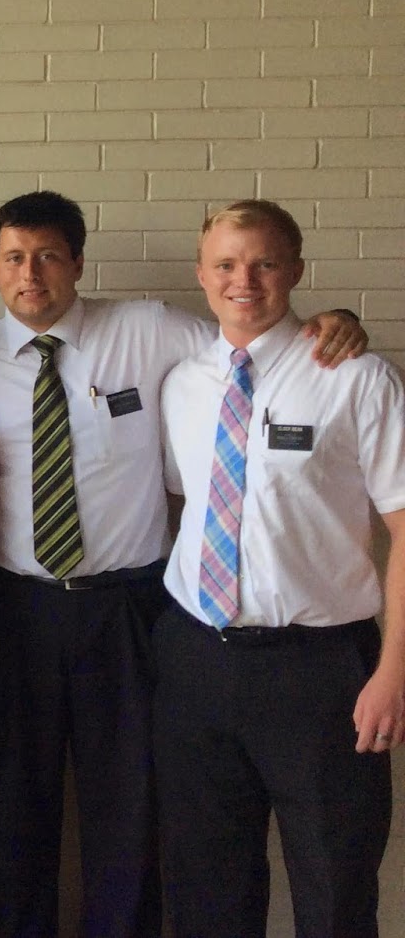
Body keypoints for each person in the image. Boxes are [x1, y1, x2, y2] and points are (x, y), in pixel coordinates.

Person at [0, 190, 368, 938]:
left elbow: (251, 335)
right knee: (19, 802)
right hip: (18, 608)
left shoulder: (147, 330)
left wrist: (334, 322)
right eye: (13, 258)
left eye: (48, 256)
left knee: (127, 805)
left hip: (128, 607)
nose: (31, 274)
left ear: (78, 262)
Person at [155, 200, 405, 937]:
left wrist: (393, 671)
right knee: (208, 890)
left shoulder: (356, 377)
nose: (245, 279)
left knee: (335, 887)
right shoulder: (182, 382)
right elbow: (188, 503)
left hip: (320, 672)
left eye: (264, 262)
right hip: (196, 660)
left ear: (294, 269)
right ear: (201, 274)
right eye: (226, 264)